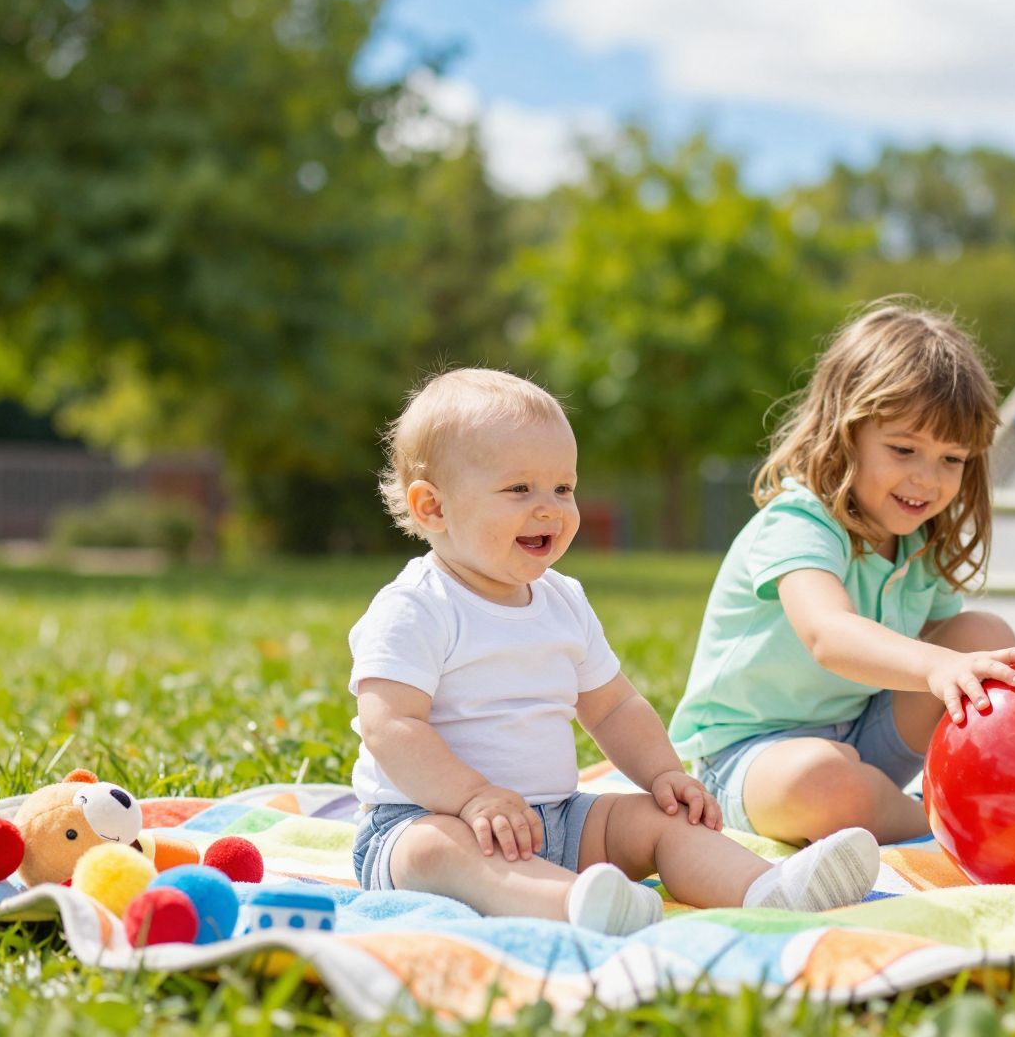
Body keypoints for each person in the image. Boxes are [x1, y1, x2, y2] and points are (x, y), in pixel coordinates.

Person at [348, 368, 878, 934]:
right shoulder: (417, 606)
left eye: (564, 488)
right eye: (519, 489)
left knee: (660, 820)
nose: (550, 508)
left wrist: (662, 774)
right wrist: (473, 797)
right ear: (433, 508)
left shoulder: (563, 601)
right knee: (437, 851)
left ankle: (767, 889)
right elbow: (391, 725)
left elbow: (613, 707)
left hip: (558, 820)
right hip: (431, 817)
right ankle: (578, 906)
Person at [668, 302, 1015, 845]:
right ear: (846, 433)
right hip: (754, 759)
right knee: (821, 782)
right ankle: (948, 825)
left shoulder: (920, 541)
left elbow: (939, 653)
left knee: (984, 639)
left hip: (864, 737)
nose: (927, 479)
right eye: (903, 449)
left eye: (951, 460)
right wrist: (938, 665)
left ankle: (939, 795)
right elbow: (828, 634)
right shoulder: (800, 520)